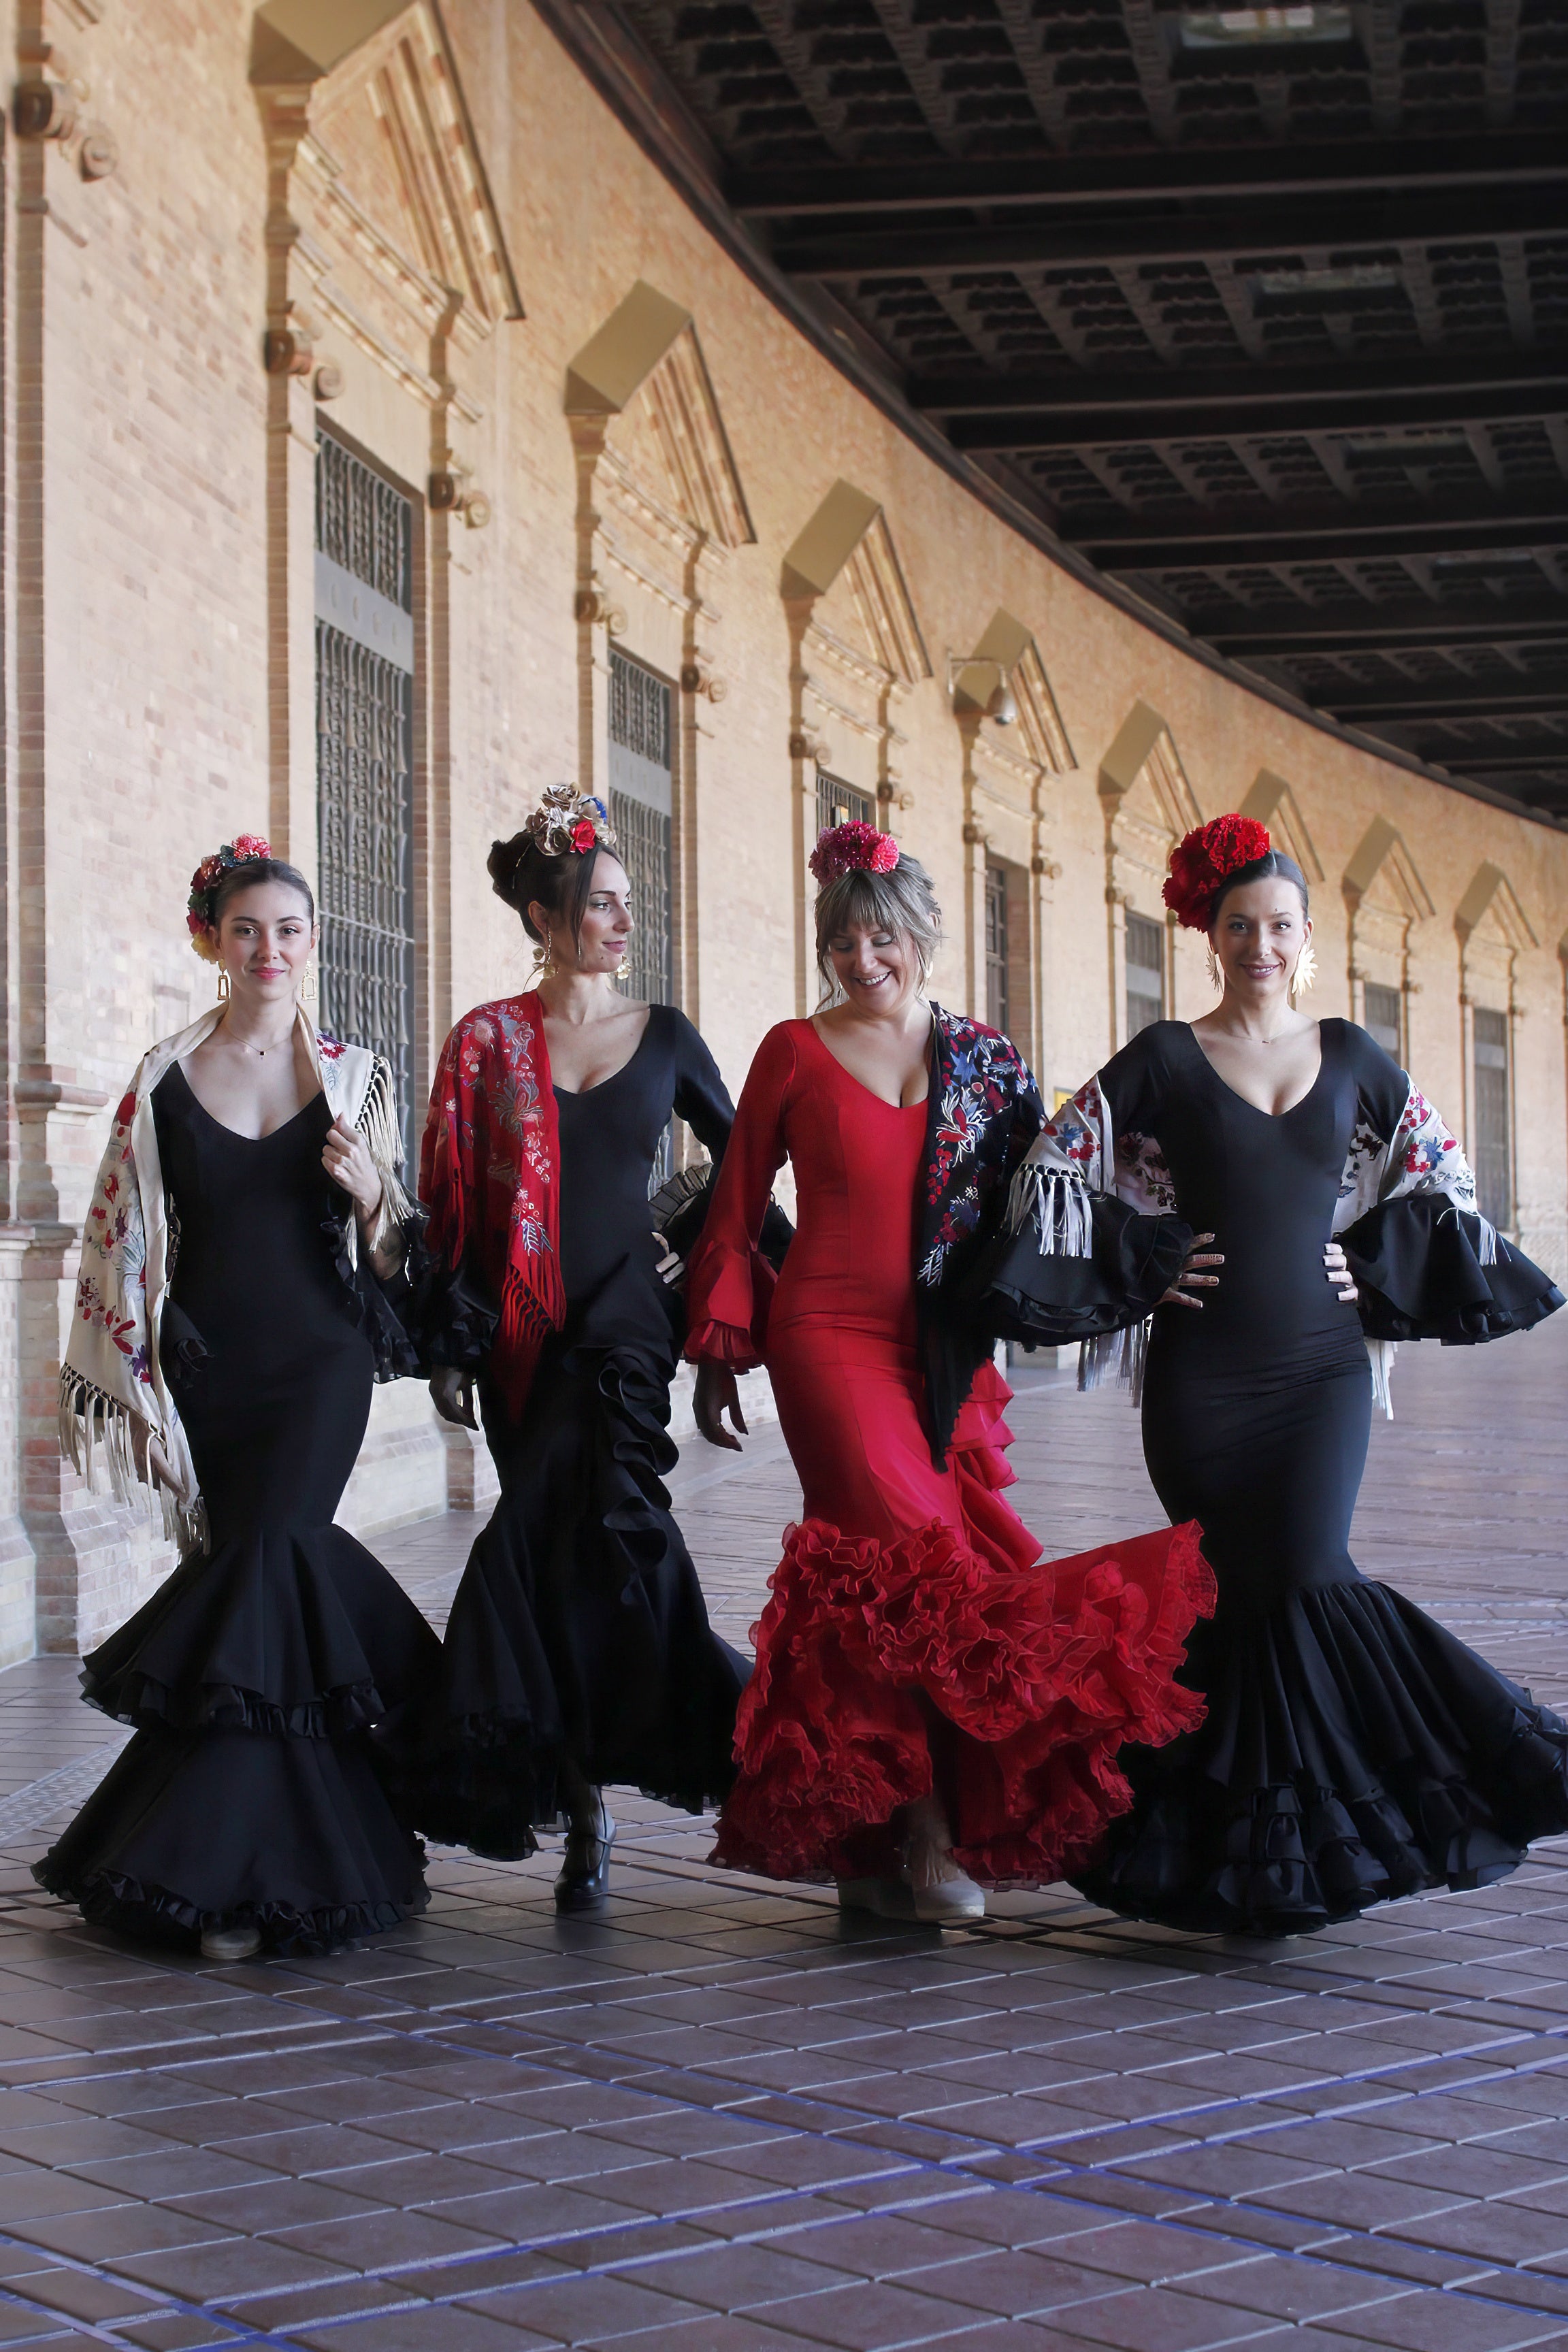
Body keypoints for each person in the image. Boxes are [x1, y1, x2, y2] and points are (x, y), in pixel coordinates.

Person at [1004, 813, 1567, 1936]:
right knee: (1236, 1598)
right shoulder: (1166, 1055)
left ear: (1306, 938)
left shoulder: (1351, 1054)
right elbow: (1050, 1169)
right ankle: (1258, 1865)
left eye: (1278, 926)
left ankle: (1444, 1781)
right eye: (1238, 926)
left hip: (1321, 1374)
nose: (1258, 944)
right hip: (1203, 1384)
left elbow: (1442, 1179)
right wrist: (1149, 1261)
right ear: (1210, 937)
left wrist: (1373, 1262)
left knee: (1311, 1572)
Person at [685, 821, 1215, 1926]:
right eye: (843, 943)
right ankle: (928, 1833)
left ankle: (862, 1836)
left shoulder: (986, 1060)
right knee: (909, 1565)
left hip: (937, 1347)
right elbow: (735, 1204)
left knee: (887, 1585)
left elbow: (1050, 1192)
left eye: (882, 937)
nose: (863, 960)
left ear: (922, 933)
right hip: (825, 1338)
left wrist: (1144, 1264)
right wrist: (723, 1347)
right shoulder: (791, 1049)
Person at [39, 836, 439, 1961]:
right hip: (211, 1368)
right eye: (247, 929)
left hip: (320, 1366)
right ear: (211, 941)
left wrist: (373, 1195)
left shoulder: (356, 1077)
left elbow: (398, 1254)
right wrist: (136, 1387)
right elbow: (116, 1244)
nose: (270, 949)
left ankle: (221, 1876)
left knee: (269, 1559)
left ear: (313, 944)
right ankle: (279, 1857)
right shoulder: (161, 1079)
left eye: (289, 931)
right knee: (255, 1588)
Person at [414, 786, 747, 1908]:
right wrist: (451, 1344)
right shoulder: (485, 1040)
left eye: (625, 901)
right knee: (556, 1556)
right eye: (601, 902)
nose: (623, 920)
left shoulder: (667, 1034)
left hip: (628, 1330)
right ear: (546, 917)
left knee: (610, 1534)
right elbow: (452, 1204)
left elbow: (742, 1168)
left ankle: (699, 1721)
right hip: (521, 1342)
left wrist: (696, 1259)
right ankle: (581, 1797)